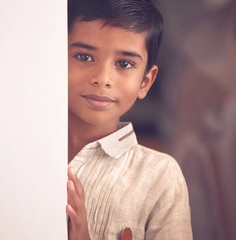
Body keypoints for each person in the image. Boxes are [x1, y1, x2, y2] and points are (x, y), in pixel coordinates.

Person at [66, 0, 192, 239]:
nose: (102, 78)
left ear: (145, 81)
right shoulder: (24, 151)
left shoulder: (160, 177)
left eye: (124, 64)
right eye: (84, 56)